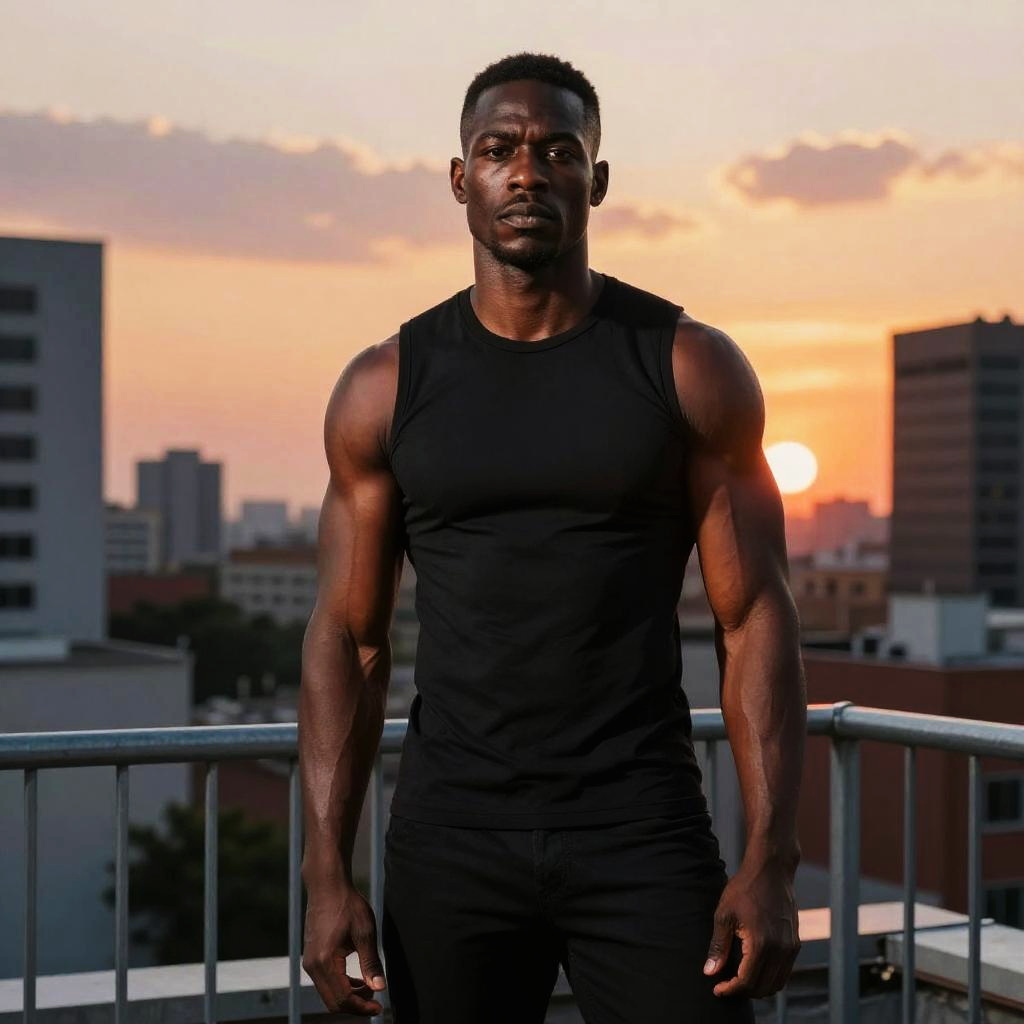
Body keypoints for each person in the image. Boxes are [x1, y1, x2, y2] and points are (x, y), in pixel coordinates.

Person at [298, 51, 806, 1024]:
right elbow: (346, 640)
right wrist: (326, 872)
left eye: (557, 152)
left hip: (640, 826)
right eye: (498, 150)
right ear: (461, 179)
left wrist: (770, 863)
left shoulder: (688, 367)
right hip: (452, 834)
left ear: (596, 180)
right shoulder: (383, 387)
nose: (526, 173)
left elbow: (756, 623)